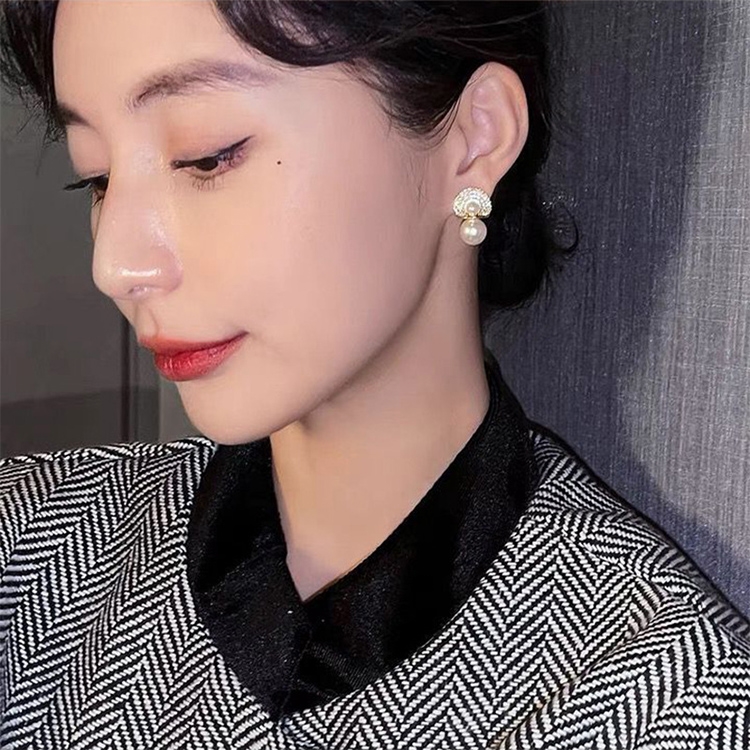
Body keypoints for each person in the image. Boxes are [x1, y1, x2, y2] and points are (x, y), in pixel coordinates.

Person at [1, 1, 748, 748]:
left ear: (475, 137)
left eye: (207, 156)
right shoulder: (28, 544)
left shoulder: (668, 699)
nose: (116, 265)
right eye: (97, 177)